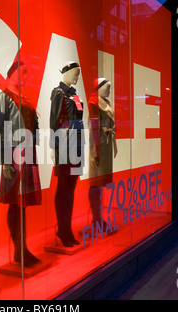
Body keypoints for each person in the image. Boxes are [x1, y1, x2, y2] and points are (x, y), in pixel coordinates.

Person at [0, 61, 42, 267]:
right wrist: (4, 160)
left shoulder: (25, 97)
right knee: (16, 203)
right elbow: (0, 128)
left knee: (22, 204)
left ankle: (22, 249)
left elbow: (34, 124)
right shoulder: (5, 96)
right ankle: (19, 249)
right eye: (22, 72)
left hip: (28, 152)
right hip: (14, 153)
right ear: (12, 72)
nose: (25, 76)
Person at [49, 61, 84, 247]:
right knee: (63, 187)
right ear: (68, 72)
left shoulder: (75, 95)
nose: (77, 76)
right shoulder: (58, 93)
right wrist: (53, 147)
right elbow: (54, 121)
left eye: (78, 73)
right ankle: (62, 229)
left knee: (70, 188)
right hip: (64, 145)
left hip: (77, 145)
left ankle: (66, 228)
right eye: (76, 73)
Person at [88, 78, 118, 226]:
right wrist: (93, 153)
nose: (109, 90)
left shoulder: (107, 103)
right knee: (95, 183)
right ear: (99, 87)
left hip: (105, 146)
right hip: (98, 146)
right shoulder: (93, 103)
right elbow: (93, 128)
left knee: (101, 184)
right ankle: (96, 218)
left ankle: (99, 218)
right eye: (107, 87)